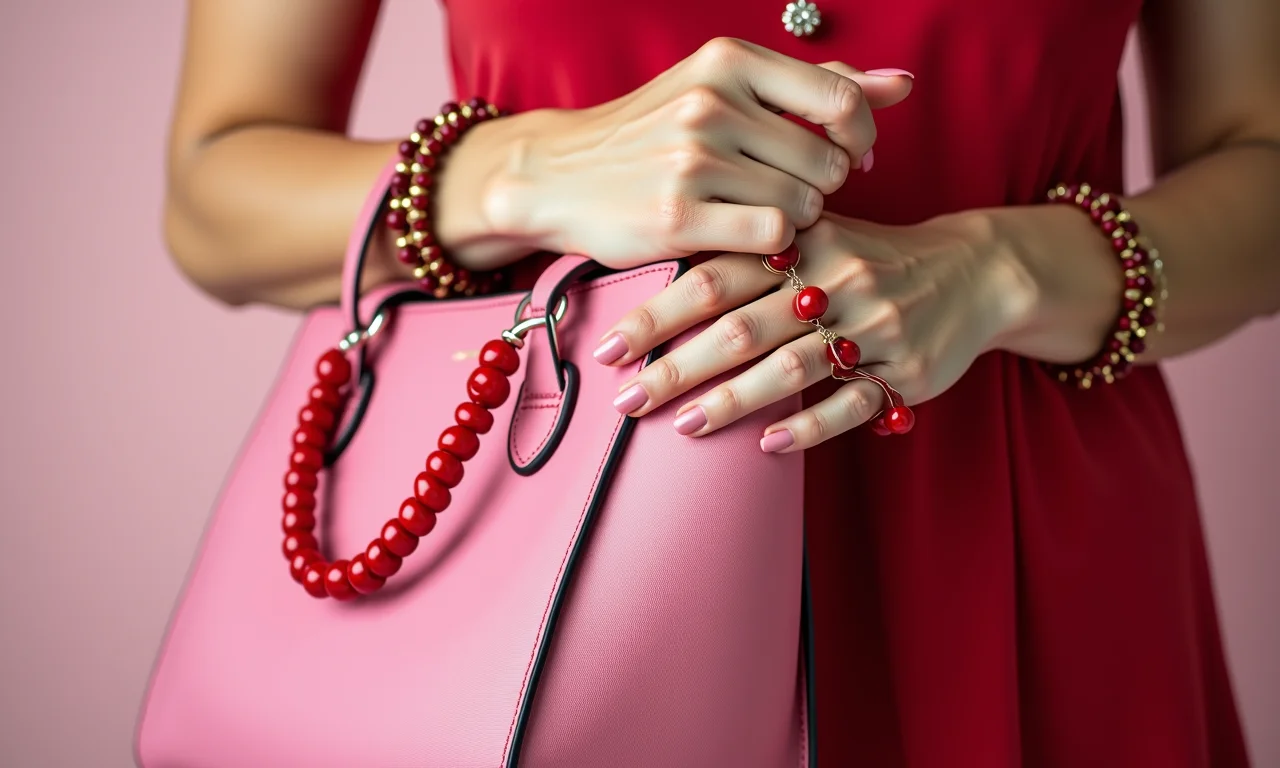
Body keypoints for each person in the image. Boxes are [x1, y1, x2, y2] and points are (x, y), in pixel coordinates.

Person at [164, 0, 1279, 764]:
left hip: (1030, 552)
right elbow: (216, 189)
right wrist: (530, 168)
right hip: (558, 532)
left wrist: (1002, 267)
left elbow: (1260, 161)